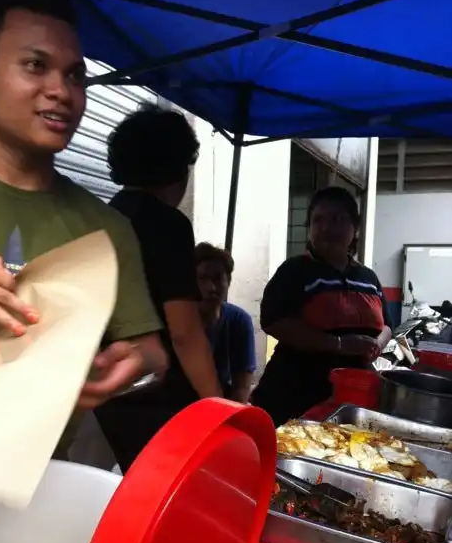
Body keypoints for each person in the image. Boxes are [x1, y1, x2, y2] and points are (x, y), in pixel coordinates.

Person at [0, 0, 167, 420]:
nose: (61, 91)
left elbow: (152, 354)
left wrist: (132, 366)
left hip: (41, 473)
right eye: (35, 65)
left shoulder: (106, 229)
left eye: (75, 76)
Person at [95, 104, 222, 472]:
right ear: (179, 169)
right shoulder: (168, 225)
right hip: (156, 398)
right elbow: (184, 332)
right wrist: (219, 405)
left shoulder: (103, 216)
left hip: (108, 391)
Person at [252, 187, 392, 425]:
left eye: (337, 219)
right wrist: (338, 344)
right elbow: (273, 321)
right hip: (293, 395)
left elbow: (387, 324)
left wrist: (377, 344)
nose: (326, 228)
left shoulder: (368, 277)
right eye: (318, 220)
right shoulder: (295, 270)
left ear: (355, 229)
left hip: (349, 398)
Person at [195, 242, 256, 402]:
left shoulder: (239, 321)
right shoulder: (176, 320)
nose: (211, 288)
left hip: (222, 403)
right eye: (202, 279)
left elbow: (241, 388)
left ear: (228, 280)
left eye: (217, 279)